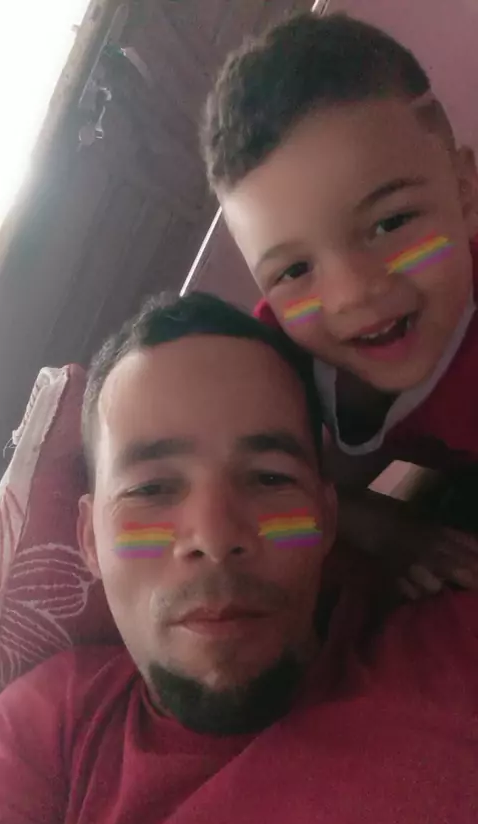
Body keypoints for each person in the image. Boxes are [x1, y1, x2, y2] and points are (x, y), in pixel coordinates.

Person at [0, 292, 476, 824]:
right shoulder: (47, 731)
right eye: (151, 489)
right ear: (88, 541)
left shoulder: (454, 651)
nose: (215, 537)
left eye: (271, 478)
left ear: (326, 518)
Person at [200, 11, 478, 591]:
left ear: (465, 190)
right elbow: (246, 487)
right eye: (294, 270)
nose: (353, 294)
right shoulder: (273, 357)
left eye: (391, 223)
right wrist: (384, 528)